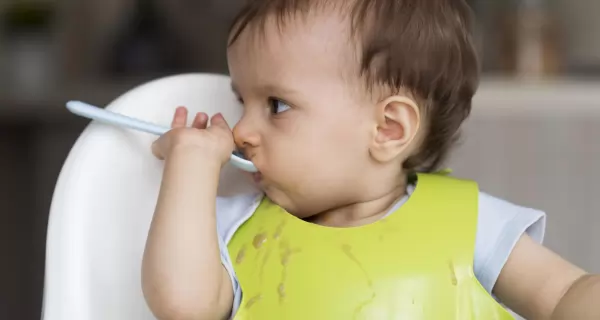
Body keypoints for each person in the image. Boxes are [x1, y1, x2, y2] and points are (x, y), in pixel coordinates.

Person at [141, 0, 600, 319]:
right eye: (242, 102)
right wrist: (191, 167)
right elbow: (184, 306)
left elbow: (563, 296)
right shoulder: (236, 230)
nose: (241, 131)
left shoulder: (467, 223)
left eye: (276, 105)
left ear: (388, 129)